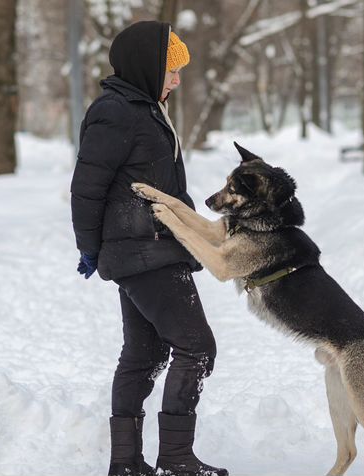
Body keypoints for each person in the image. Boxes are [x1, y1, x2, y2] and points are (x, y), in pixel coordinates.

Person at [70, 21, 227, 476]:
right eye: (171, 70)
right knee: (197, 349)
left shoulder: (145, 108)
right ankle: (176, 459)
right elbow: (87, 187)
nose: (177, 79)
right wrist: (89, 248)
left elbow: (164, 185)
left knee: (145, 355)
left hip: (151, 248)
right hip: (145, 250)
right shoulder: (116, 112)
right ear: (147, 65)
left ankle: (126, 464)